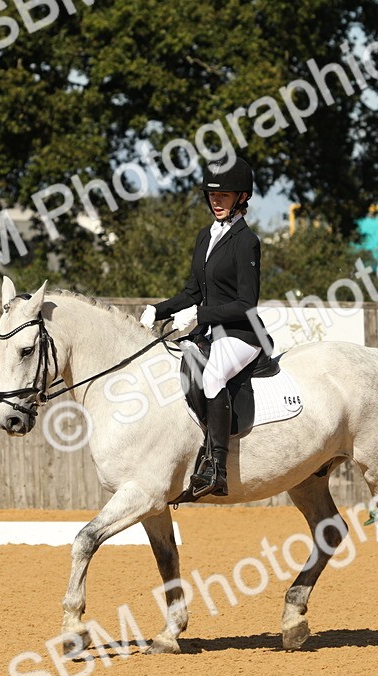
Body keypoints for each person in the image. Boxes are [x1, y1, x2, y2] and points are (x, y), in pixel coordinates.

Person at [139, 156, 269, 498]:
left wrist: (200, 316)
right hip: (209, 332)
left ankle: (217, 469)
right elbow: (193, 291)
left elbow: (247, 303)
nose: (217, 201)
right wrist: (159, 308)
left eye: (224, 195)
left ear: (242, 197)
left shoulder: (246, 241)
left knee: (212, 376)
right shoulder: (205, 236)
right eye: (212, 196)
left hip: (242, 334)